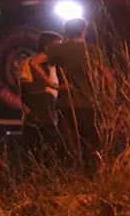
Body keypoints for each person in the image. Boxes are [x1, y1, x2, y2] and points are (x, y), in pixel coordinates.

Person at [29, 18, 96, 165]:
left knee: (68, 146)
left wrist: (51, 84)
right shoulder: (91, 50)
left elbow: (34, 62)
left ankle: (70, 176)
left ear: (66, 31)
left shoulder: (58, 49)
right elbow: (107, 75)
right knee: (89, 146)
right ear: (84, 32)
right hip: (89, 103)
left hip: (66, 103)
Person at [19, 32, 61, 151]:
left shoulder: (55, 64)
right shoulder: (31, 63)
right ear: (47, 46)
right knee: (35, 147)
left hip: (51, 111)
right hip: (39, 111)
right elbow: (26, 88)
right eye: (57, 45)